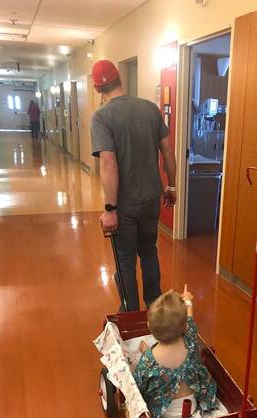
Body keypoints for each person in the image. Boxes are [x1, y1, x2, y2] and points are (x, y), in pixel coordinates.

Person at [91, 59, 177, 311]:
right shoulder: (150, 109)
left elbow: (109, 164)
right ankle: (156, 310)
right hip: (152, 199)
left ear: (97, 89)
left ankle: (131, 314)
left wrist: (110, 208)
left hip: (125, 205)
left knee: (126, 261)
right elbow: (168, 151)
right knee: (149, 252)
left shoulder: (102, 116)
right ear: (120, 79)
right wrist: (171, 187)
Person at [133, 285, 217, 418]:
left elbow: (139, 385)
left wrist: (146, 352)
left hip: (163, 413)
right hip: (192, 407)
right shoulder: (190, 340)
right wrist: (188, 301)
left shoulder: (148, 359)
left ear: (149, 327)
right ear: (185, 327)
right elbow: (190, 320)